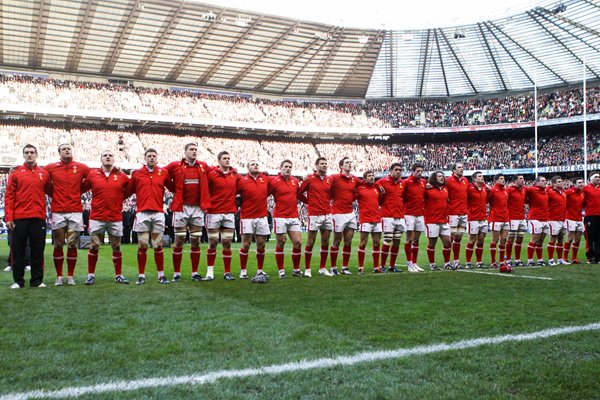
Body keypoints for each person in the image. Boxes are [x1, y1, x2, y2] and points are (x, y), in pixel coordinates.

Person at [43, 143, 91, 286]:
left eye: (69, 148)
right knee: (58, 244)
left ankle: (70, 276)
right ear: (59, 153)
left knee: (72, 244)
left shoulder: (81, 167)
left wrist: (78, 191)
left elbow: (93, 178)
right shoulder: (51, 167)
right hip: (58, 211)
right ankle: (59, 276)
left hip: (75, 211)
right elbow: (41, 179)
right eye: (63, 149)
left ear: (72, 151)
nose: (66, 150)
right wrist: (55, 194)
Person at [81, 150, 131, 285]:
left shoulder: (122, 176)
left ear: (114, 159)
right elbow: (81, 188)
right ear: (101, 159)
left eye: (110, 155)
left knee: (116, 246)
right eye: (105, 155)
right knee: (94, 245)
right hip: (97, 216)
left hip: (115, 217)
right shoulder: (93, 175)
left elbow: (131, 188)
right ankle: (91, 275)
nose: (108, 157)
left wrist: (119, 200)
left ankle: (118, 275)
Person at [5, 144, 51, 289]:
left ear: (36, 154)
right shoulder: (16, 173)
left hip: (38, 217)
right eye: (27, 152)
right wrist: (9, 218)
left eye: (32, 152)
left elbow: (53, 191)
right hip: (20, 217)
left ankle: (37, 281)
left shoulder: (44, 174)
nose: (29, 155)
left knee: (38, 250)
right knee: (18, 251)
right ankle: (18, 281)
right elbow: (9, 197)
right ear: (23, 155)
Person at [164, 143, 211, 282]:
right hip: (181, 208)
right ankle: (176, 273)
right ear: (185, 152)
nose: (194, 151)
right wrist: (173, 188)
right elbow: (161, 174)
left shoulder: (203, 165)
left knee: (195, 241)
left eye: (196, 150)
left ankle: (194, 272)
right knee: (178, 241)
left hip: (197, 209)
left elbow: (215, 174)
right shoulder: (175, 165)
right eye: (191, 149)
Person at [126, 148, 173, 285]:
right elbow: (127, 191)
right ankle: (141, 275)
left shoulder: (163, 172)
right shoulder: (137, 174)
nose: (152, 158)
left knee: (158, 245)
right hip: (142, 214)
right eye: (149, 156)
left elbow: (173, 187)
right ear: (145, 158)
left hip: (158, 214)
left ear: (157, 158)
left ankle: (161, 275)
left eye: (154, 156)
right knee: (143, 245)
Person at [206, 151, 240, 280]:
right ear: (219, 160)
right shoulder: (211, 174)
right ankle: (210, 272)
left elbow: (246, 183)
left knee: (227, 243)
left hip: (229, 214)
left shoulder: (235, 175)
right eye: (224, 158)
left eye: (228, 158)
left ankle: (227, 272)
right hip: (213, 213)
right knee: (213, 242)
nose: (227, 160)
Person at [298, 157, 334, 277]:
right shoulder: (310, 179)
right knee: (310, 241)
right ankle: (307, 269)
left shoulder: (329, 179)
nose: (324, 165)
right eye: (322, 164)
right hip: (314, 214)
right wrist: (309, 202)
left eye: (325, 164)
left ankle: (322, 268)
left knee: (325, 241)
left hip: (327, 213)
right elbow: (299, 193)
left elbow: (332, 194)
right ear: (316, 166)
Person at [236, 160, 271, 279]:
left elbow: (277, 181)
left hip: (262, 216)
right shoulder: (242, 181)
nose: (256, 165)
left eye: (257, 164)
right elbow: (233, 193)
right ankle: (243, 271)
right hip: (247, 217)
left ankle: (260, 270)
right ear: (247, 168)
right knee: (246, 244)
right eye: (252, 164)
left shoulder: (265, 178)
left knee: (261, 244)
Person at [269, 159, 302, 278]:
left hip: (293, 216)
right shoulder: (274, 181)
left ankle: (296, 269)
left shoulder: (295, 181)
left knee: (298, 242)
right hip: (280, 216)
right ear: (281, 168)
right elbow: (265, 193)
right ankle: (281, 270)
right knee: (281, 242)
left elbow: (299, 195)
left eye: (290, 167)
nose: (288, 169)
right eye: (286, 166)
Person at [329, 157, 358, 275]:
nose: (349, 164)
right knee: (337, 240)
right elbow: (323, 182)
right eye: (347, 163)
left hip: (350, 213)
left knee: (348, 241)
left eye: (350, 162)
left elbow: (362, 187)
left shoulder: (354, 179)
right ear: (341, 166)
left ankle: (345, 268)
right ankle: (333, 267)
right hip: (338, 213)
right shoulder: (334, 177)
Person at [376, 163, 405, 272]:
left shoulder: (403, 183)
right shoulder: (383, 181)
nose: (399, 171)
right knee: (387, 240)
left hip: (400, 215)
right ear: (391, 171)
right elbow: (375, 184)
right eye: (396, 169)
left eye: (400, 170)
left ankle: (392, 266)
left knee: (397, 241)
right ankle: (382, 265)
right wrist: (379, 187)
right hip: (387, 215)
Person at [423, 171, 452, 271]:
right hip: (432, 220)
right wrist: (425, 186)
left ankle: (447, 263)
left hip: (444, 220)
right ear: (434, 178)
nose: (442, 177)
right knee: (432, 243)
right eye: (439, 176)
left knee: (448, 242)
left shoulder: (445, 189)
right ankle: (432, 264)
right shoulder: (427, 190)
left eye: (442, 176)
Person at [355, 171, 382, 274]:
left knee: (377, 243)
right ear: (364, 179)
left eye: (373, 176)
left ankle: (376, 267)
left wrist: (378, 185)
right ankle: (361, 267)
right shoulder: (360, 188)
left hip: (377, 219)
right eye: (369, 176)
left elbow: (380, 201)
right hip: (365, 219)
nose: (372, 177)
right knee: (363, 242)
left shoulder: (376, 189)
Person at [403, 163, 426, 272]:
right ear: (412, 171)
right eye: (418, 171)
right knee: (409, 239)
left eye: (421, 171)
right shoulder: (406, 182)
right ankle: (409, 263)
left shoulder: (423, 182)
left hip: (420, 214)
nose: (420, 173)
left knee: (416, 240)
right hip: (409, 214)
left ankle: (415, 263)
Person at [445, 162, 469, 268]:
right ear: (454, 170)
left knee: (458, 238)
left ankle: (456, 260)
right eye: (459, 167)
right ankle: (447, 262)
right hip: (452, 213)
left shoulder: (465, 180)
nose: (461, 169)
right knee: (450, 238)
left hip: (463, 212)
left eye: (462, 167)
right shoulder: (448, 181)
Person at [465, 171, 488, 268]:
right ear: (474, 179)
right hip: (473, 218)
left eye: (482, 176)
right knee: (472, 240)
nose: (482, 178)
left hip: (483, 218)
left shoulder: (484, 188)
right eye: (479, 176)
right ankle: (468, 262)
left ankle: (479, 262)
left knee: (481, 241)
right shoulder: (469, 189)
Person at [525, 176, 549, 266]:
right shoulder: (532, 190)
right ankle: (530, 260)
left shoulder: (547, 190)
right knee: (534, 240)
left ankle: (540, 260)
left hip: (545, 218)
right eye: (542, 181)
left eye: (545, 180)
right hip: (535, 218)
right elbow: (523, 191)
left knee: (541, 241)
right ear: (537, 182)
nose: (545, 182)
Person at [487, 174, 510, 269]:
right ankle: (493, 261)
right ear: (496, 180)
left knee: (503, 240)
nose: (503, 180)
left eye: (504, 178)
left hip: (505, 218)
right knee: (495, 240)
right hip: (496, 218)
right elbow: (488, 201)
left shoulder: (505, 190)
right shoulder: (492, 190)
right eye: (501, 179)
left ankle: (501, 261)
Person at [547, 176, 569, 266]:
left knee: (560, 239)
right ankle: (551, 259)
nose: (561, 183)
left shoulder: (563, 192)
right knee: (552, 239)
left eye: (561, 181)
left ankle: (560, 259)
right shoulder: (550, 192)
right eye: (559, 182)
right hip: (553, 219)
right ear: (554, 184)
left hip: (562, 219)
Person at [506, 175, 527, 267]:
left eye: (523, 178)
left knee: (520, 239)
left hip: (522, 218)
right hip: (512, 218)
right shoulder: (509, 190)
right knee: (510, 239)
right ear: (515, 181)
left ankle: (518, 259)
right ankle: (508, 259)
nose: (522, 180)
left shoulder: (524, 189)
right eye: (520, 179)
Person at [564, 178, 584, 264]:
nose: (581, 184)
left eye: (582, 182)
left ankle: (574, 258)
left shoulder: (582, 194)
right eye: (579, 183)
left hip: (579, 219)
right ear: (574, 184)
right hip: (570, 218)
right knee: (570, 239)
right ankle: (565, 258)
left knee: (578, 239)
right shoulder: (569, 192)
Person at [582, 172, 600, 263]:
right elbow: (582, 202)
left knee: (598, 238)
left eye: (599, 177)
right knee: (590, 238)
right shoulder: (586, 188)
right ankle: (590, 257)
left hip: (599, 216)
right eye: (596, 177)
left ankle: (598, 257)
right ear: (591, 178)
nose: (598, 178)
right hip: (590, 216)